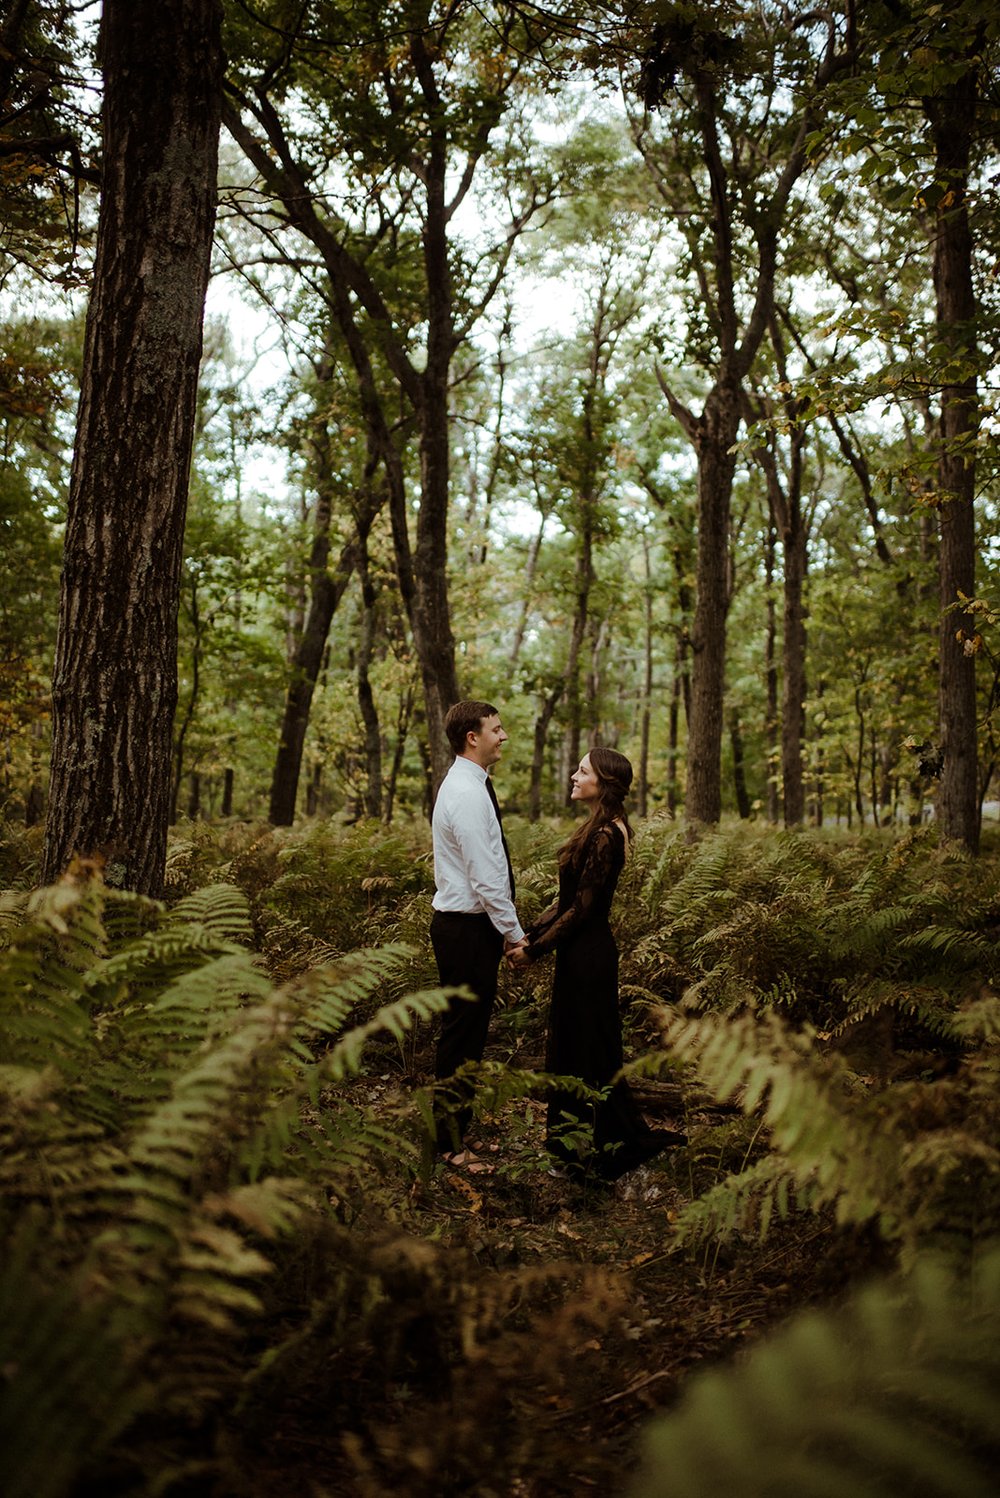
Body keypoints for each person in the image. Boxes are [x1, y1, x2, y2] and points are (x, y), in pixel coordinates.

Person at [509, 746, 684, 1181]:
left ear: (602, 782)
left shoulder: (608, 834)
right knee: (575, 1049)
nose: (573, 775)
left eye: (582, 770)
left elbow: (583, 910)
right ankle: (572, 1147)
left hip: (589, 956)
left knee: (587, 1053)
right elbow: (565, 902)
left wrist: (533, 950)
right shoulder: (596, 827)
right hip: (578, 952)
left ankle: (590, 1152)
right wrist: (529, 932)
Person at [430, 699, 525, 1165]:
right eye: (497, 728)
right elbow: (487, 877)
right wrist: (514, 934)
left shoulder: (472, 785)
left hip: (470, 927)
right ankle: (448, 1145)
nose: (503, 736)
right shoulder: (466, 793)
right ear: (474, 736)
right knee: (461, 1037)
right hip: (467, 929)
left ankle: (456, 1133)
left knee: (467, 1035)